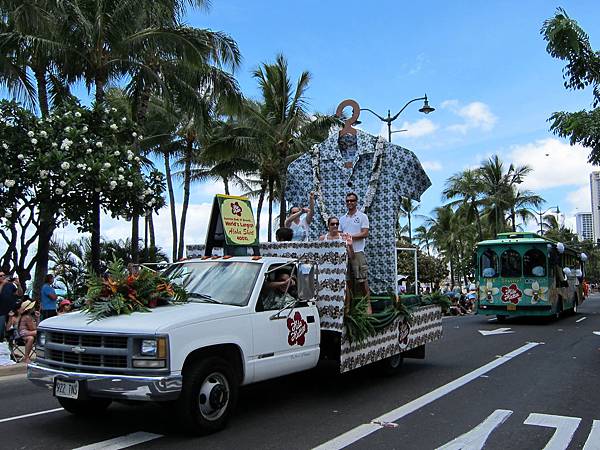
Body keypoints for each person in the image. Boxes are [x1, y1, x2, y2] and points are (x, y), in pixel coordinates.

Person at [339, 192, 370, 312]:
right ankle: (348, 309)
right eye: (347, 201)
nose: (349, 203)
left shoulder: (362, 216)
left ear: (356, 202)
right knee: (347, 282)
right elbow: (340, 234)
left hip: (358, 252)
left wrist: (350, 237)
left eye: (352, 200)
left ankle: (368, 307)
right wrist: (344, 238)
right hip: (344, 253)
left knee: (362, 281)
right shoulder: (342, 218)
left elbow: (365, 233)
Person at [0, 271, 23, 342]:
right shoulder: (2, 284)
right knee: (1, 332)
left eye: (4, 275)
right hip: (1, 312)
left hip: (10, 311)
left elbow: (19, 294)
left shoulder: (10, 285)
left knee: (10, 333)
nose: (3, 277)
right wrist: (3, 284)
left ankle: (10, 351)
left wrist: (19, 285)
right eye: (0, 276)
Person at [18, 300, 37, 364]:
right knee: (34, 336)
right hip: (23, 332)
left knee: (39, 332)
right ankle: (26, 357)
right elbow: (32, 328)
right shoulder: (27, 317)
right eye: (33, 307)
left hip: (27, 332)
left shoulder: (29, 316)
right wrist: (37, 319)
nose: (34, 308)